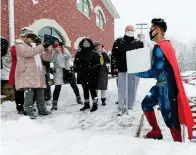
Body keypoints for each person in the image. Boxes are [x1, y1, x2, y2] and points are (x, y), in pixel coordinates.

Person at [132, 18, 194, 142]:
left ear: (158, 29)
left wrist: (136, 72)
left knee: (170, 117)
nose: (150, 31)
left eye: (151, 29)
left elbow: (155, 71)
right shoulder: (166, 45)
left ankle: (178, 145)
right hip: (161, 85)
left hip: (166, 88)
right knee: (146, 104)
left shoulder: (160, 47)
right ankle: (156, 131)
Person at [15, 27, 52, 119]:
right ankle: (29, 111)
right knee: (29, 95)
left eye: (33, 37)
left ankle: (42, 110)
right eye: (30, 37)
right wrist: (42, 46)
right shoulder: (20, 45)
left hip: (38, 73)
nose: (32, 39)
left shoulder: (36, 47)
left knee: (40, 94)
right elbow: (28, 53)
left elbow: (46, 58)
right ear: (25, 37)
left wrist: (49, 50)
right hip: (27, 73)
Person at [111, 25, 144, 116]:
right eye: (128, 30)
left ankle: (129, 106)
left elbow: (142, 57)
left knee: (132, 88)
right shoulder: (118, 41)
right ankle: (121, 107)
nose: (130, 31)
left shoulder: (138, 42)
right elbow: (114, 55)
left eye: (131, 30)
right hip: (121, 68)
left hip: (134, 69)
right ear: (125, 31)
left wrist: (141, 69)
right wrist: (114, 67)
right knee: (122, 88)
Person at [51, 42, 83, 111]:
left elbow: (68, 57)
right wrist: (56, 52)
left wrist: (63, 51)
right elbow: (52, 60)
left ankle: (78, 99)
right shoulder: (54, 51)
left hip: (67, 70)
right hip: (58, 72)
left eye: (60, 46)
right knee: (57, 88)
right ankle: (54, 104)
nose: (59, 47)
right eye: (58, 46)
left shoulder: (64, 50)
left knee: (74, 85)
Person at [74, 38, 100, 112]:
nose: (85, 43)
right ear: (82, 43)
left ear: (90, 43)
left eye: (87, 42)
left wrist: (92, 70)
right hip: (83, 75)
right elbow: (76, 63)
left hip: (92, 75)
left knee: (93, 90)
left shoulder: (94, 53)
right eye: (84, 42)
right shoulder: (79, 53)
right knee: (85, 90)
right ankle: (86, 103)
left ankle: (95, 104)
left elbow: (97, 65)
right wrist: (79, 69)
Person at [8, 42, 25, 114]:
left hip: (24, 72)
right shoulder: (14, 48)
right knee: (18, 91)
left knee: (26, 92)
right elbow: (16, 55)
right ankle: (20, 107)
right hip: (16, 73)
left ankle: (24, 106)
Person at [94, 41, 110, 106]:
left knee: (103, 87)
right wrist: (97, 54)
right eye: (98, 46)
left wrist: (103, 53)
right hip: (95, 72)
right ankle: (96, 100)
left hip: (103, 72)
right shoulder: (93, 53)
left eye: (100, 46)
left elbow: (108, 60)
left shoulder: (104, 53)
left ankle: (103, 100)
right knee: (95, 87)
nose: (99, 48)